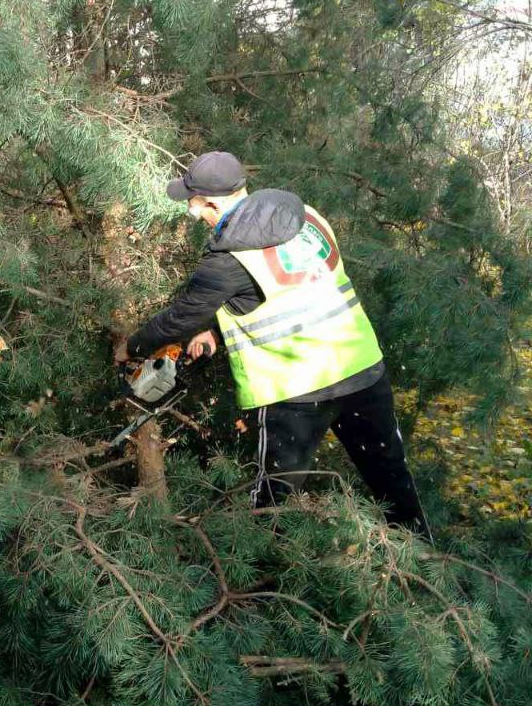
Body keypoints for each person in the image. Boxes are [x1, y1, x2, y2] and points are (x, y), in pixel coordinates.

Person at [115, 150, 430, 537]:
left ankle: (257, 591)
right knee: (393, 481)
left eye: (194, 205)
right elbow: (292, 289)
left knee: (271, 507)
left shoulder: (228, 256)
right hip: (363, 370)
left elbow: (182, 316)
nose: (193, 214)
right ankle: (424, 562)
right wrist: (215, 332)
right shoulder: (306, 217)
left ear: (211, 203)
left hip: (295, 393)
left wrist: (131, 347)